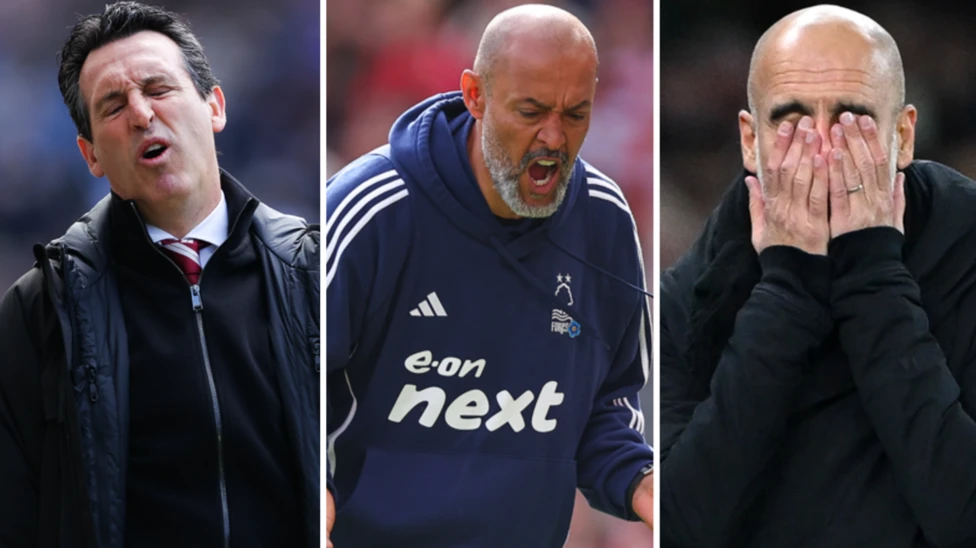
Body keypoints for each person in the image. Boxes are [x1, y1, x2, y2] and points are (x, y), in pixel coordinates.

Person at [325, 4, 653, 547]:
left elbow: (606, 408)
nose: (554, 137)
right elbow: (297, 397)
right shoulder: (370, 210)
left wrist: (648, 488)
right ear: (475, 95)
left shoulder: (605, 220)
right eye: (531, 110)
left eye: (576, 114)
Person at [0, 2, 319, 547]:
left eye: (159, 88)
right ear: (90, 154)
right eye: (113, 105)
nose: (142, 114)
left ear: (214, 106)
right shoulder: (41, 309)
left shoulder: (310, 273)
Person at [661, 4, 976, 547]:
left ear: (904, 134)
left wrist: (873, 275)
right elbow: (679, 529)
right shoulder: (692, 290)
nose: (824, 150)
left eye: (853, 119)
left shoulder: (965, 245)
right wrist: (786, 293)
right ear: (749, 139)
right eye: (793, 121)